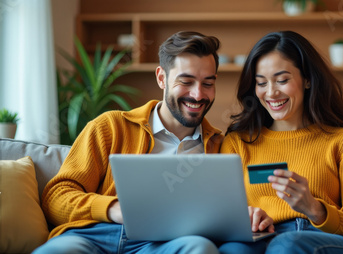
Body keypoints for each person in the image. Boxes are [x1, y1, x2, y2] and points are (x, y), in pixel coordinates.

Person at [34, 31, 225, 254]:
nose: (198, 94)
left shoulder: (220, 146)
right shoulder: (110, 127)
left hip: (162, 244)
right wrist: (114, 209)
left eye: (207, 83)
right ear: (161, 78)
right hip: (93, 236)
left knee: (200, 248)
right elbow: (56, 197)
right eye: (186, 81)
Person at [220, 31, 343, 253]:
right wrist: (247, 216)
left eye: (282, 80)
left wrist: (315, 209)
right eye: (261, 83)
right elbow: (224, 217)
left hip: (318, 238)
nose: (271, 93)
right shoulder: (237, 143)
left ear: (307, 80)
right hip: (261, 238)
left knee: (286, 245)